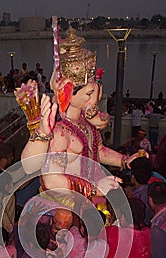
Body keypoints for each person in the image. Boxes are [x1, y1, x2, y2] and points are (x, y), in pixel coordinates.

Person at [19, 27, 145, 200]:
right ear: (68, 93)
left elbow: (98, 150)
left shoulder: (85, 123)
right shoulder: (60, 133)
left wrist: (124, 160)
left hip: (89, 199)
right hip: (66, 205)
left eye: (95, 93)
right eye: (88, 94)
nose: (94, 101)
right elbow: (51, 180)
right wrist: (92, 189)